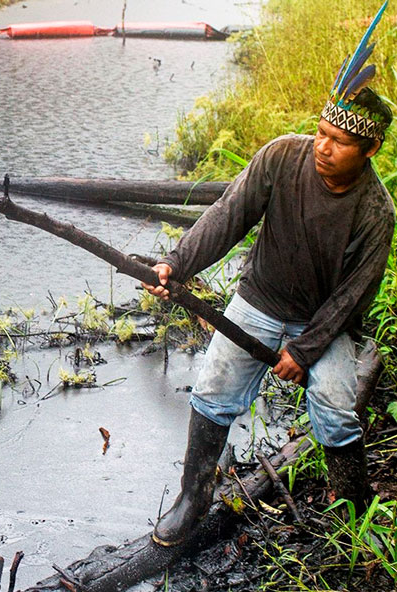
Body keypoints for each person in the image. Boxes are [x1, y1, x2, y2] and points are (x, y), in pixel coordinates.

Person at [142, 4, 395, 547]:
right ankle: (193, 497)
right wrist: (176, 263)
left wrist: (305, 351)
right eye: (321, 132)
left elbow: (351, 298)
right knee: (213, 391)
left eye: (340, 141)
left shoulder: (377, 211)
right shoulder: (281, 157)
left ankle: (352, 507)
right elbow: (227, 216)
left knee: (336, 410)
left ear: (371, 148)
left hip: (325, 325)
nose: (323, 147)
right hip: (260, 301)